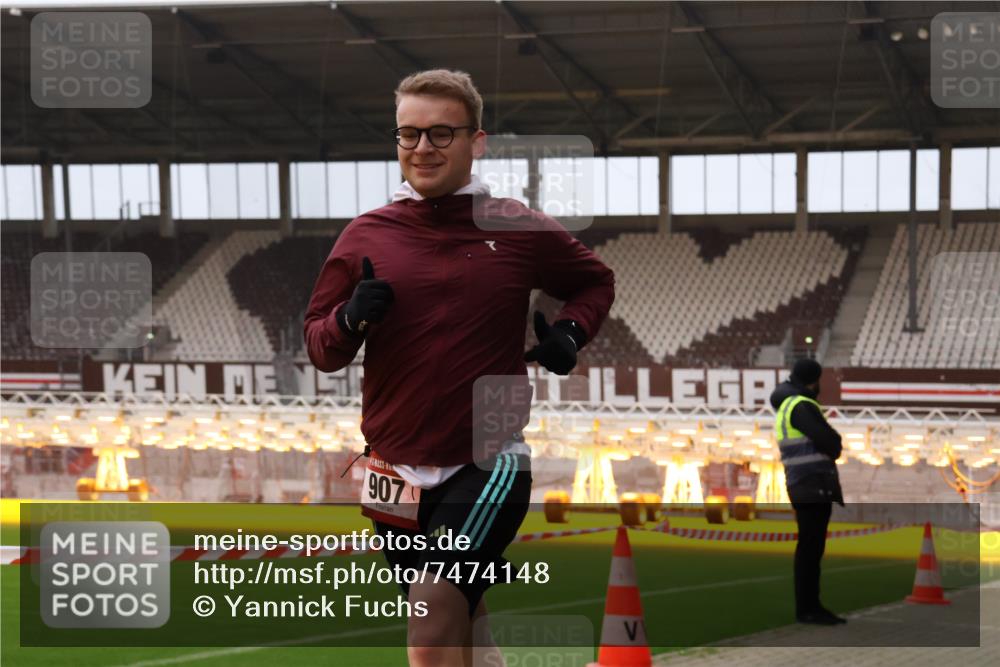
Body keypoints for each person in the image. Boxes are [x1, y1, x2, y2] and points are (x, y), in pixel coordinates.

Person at [303, 69, 614, 666]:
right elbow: (321, 347)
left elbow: (593, 281)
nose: (422, 148)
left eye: (441, 133)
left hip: (486, 461)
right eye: (409, 134)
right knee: (463, 626)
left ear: (477, 141)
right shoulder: (365, 235)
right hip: (389, 472)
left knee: (431, 621)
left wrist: (570, 335)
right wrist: (349, 319)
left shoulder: (516, 226)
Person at [769, 358, 848, 626]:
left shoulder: (787, 404)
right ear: (814, 381)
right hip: (812, 482)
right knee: (811, 550)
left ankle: (809, 607)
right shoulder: (802, 405)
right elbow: (831, 442)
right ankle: (809, 608)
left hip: (802, 482)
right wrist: (835, 441)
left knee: (809, 548)